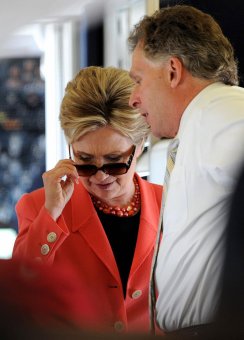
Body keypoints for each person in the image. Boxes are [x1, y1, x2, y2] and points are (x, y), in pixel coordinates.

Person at [12, 66, 162, 334]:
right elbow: (18, 294)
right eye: (85, 161)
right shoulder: (38, 208)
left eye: (115, 162)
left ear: (140, 145)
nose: (101, 176)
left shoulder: (170, 204)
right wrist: (51, 214)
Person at [128, 4, 244, 337]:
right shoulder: (203, 120)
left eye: (138, 80)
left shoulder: (221, 112)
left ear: (173, 71)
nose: (134, 98)